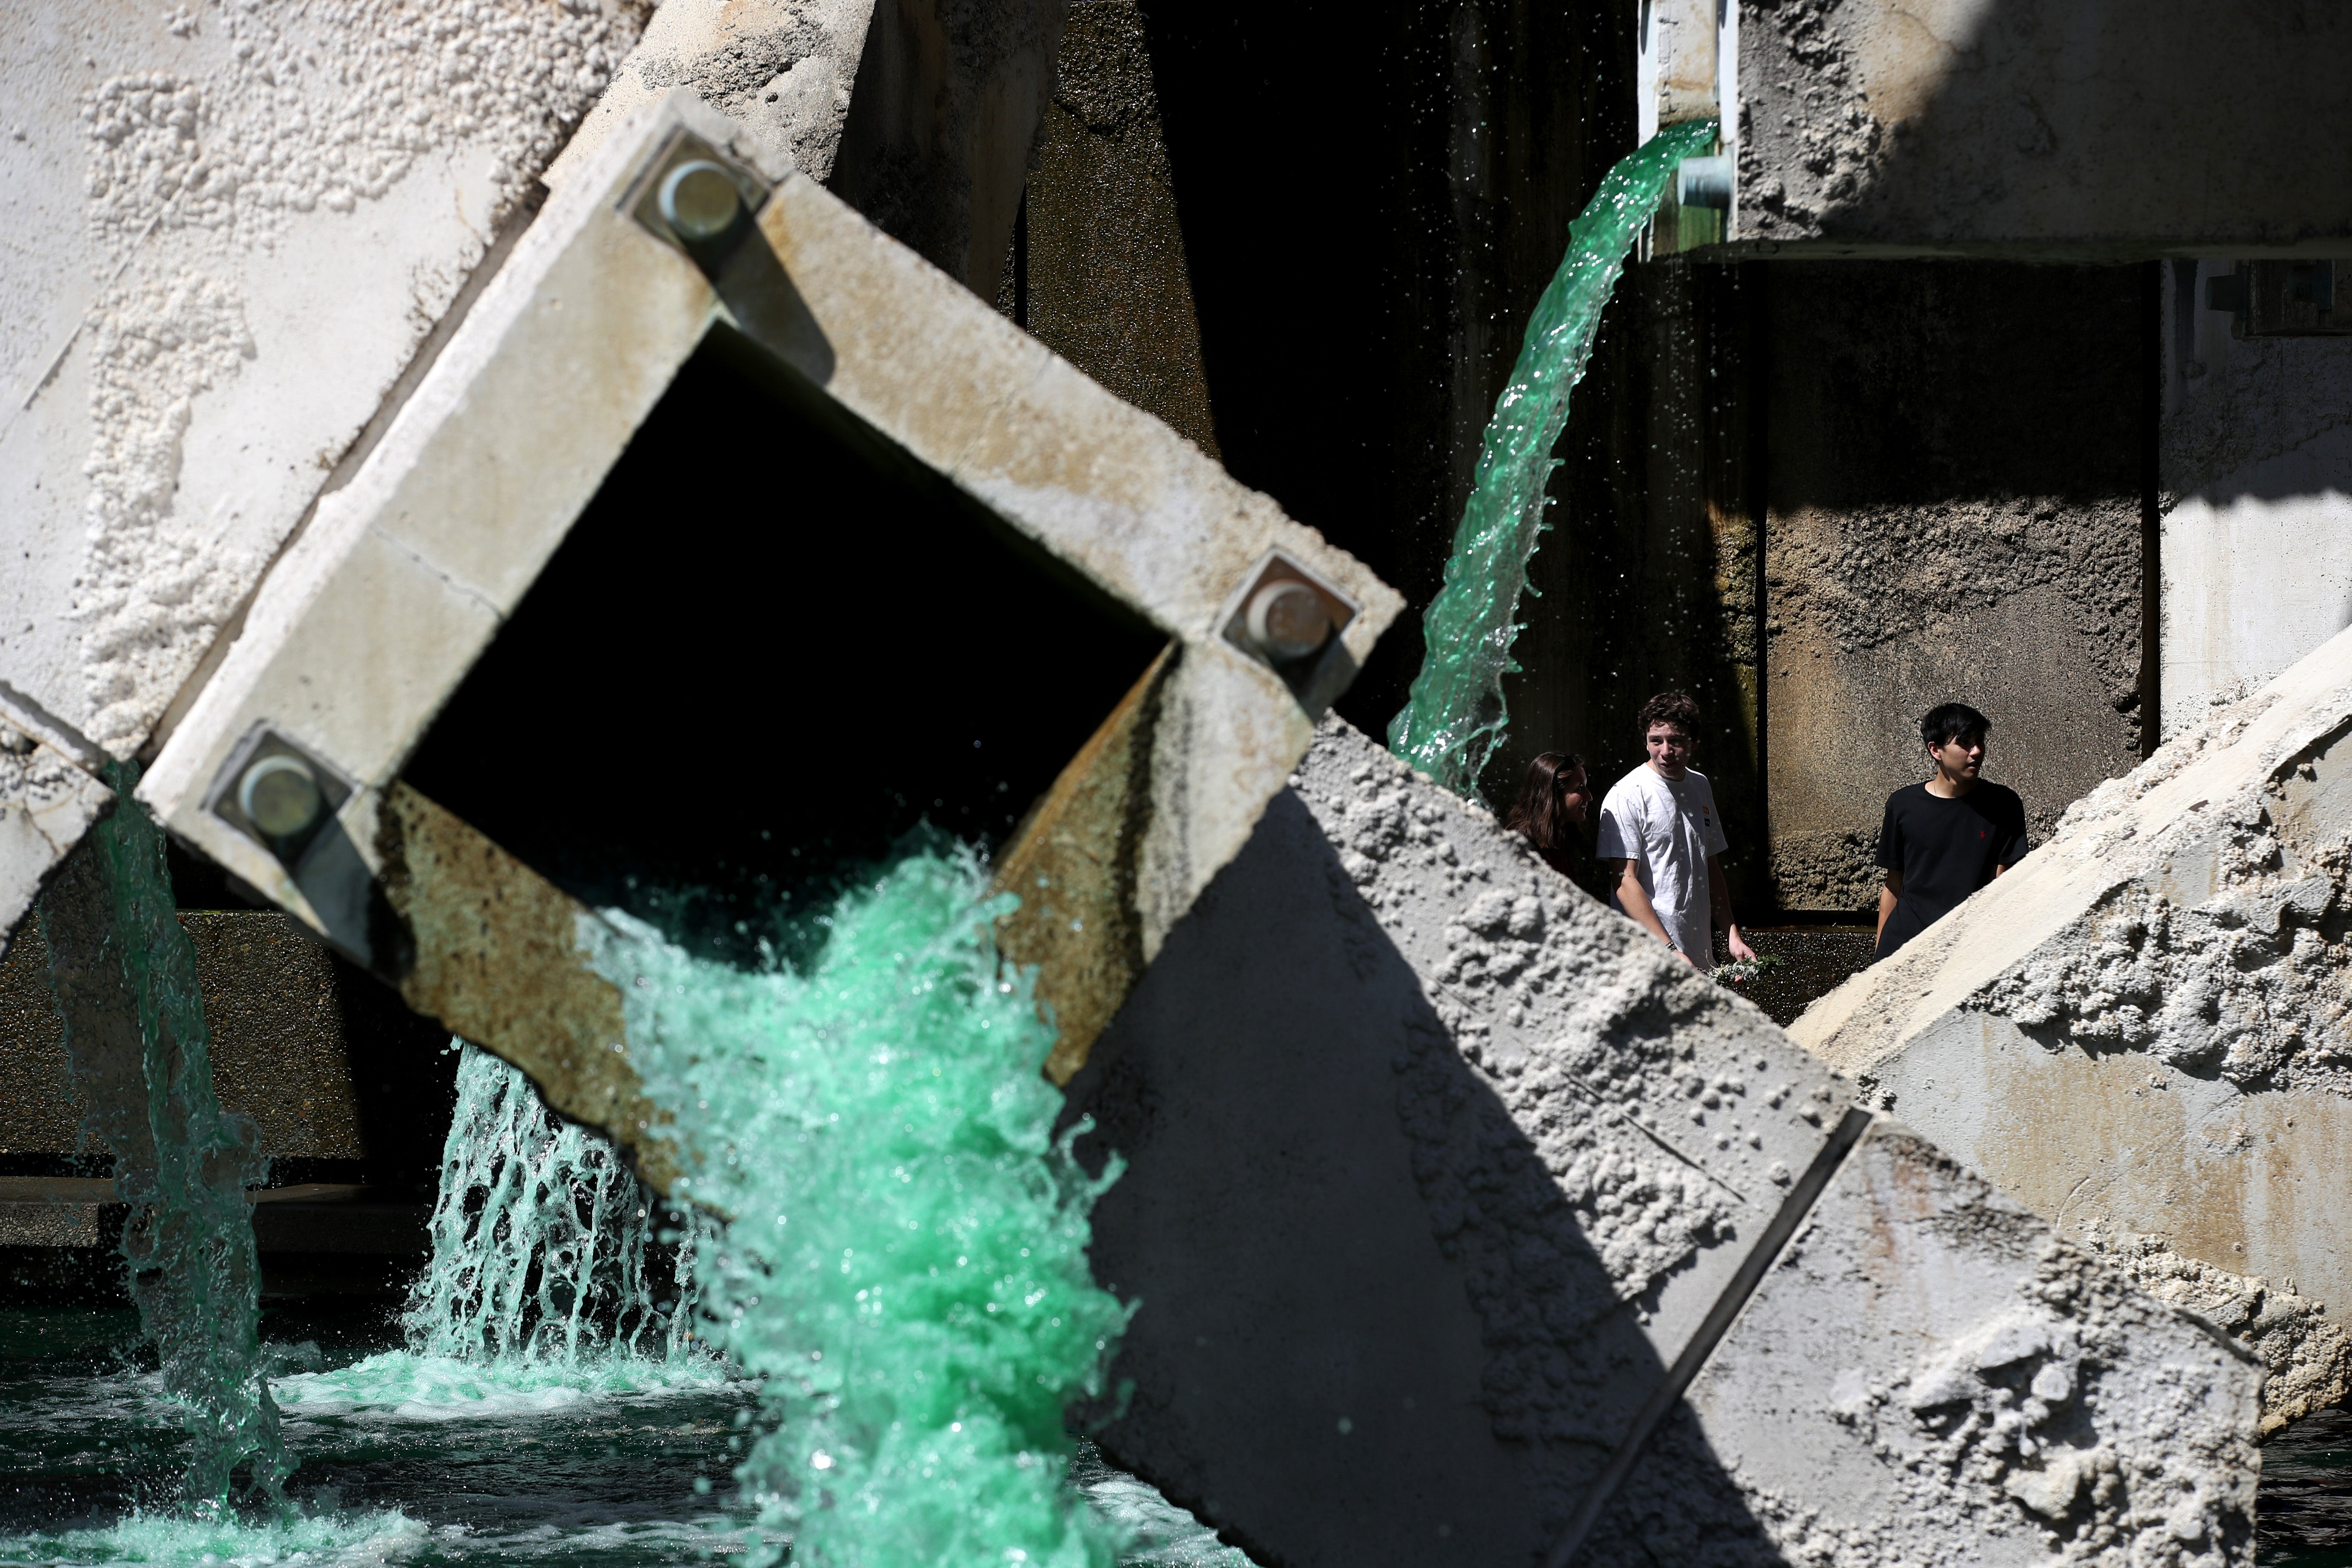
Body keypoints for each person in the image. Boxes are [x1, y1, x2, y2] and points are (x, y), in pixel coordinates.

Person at [1593, 692, 1755, 970]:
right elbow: (1623, 881)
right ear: (1645, 741)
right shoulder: (1626, 795)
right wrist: (1668, 949)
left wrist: (1731, 934)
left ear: (1694, 744)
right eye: (1656, 741)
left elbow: (1710, 867)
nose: (1665, 751)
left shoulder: (1701, 785)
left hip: (1697, 957)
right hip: (1647, 959)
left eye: (1676, 742)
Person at [1873, 701, 2029, 961]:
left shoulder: (2004, 804)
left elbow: (2002, 887)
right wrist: (1879, 957)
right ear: (1936, 750)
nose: (1977, 751)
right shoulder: (1903, 805)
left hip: (1965, 949)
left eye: (1980, 741)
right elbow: (1893, 885)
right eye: (1965, 743)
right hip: (1903, 943)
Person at [1504, 751, 1597, 890]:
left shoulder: (1561, 839)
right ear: (1553, 796)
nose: (1589, 797)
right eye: (1579, 789)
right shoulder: (1523, 848)